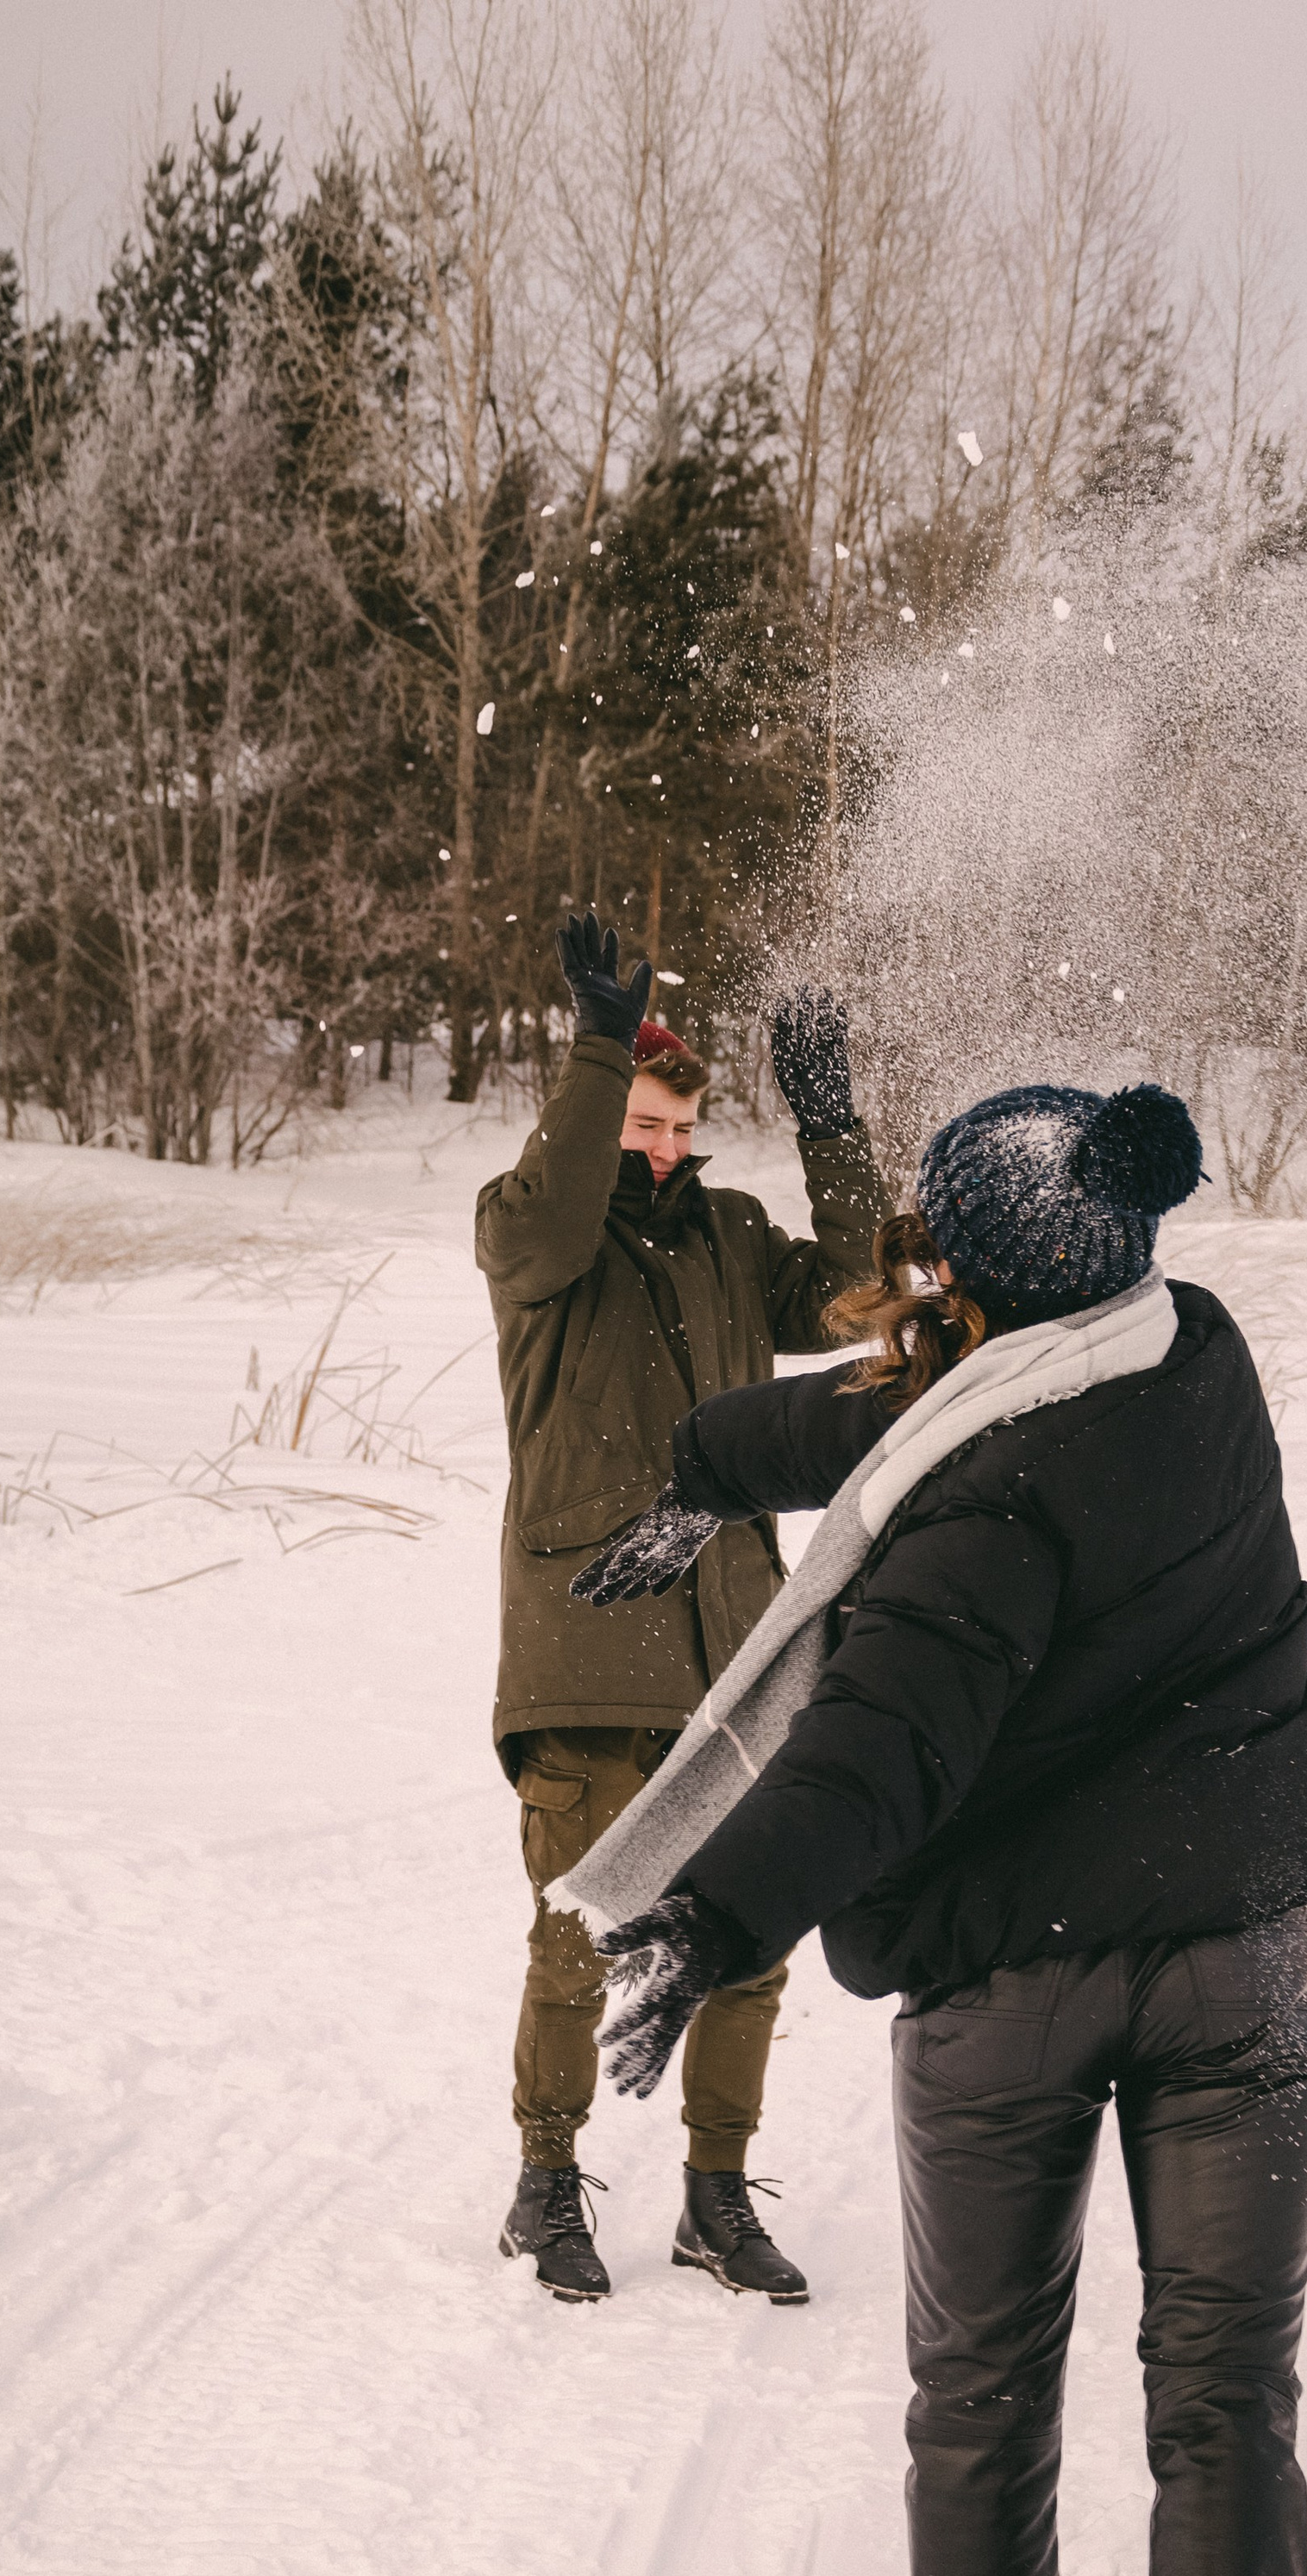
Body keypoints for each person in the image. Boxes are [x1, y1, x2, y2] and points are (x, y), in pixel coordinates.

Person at [555, 1061, 1307, 2576]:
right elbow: (879, 1406)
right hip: (1244, 1960)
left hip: (1013, 1994)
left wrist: (705, 1913)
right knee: (1221, 2404)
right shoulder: (1192, 1353)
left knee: (980, 2405)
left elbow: (878, 1745)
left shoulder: (975, 1494)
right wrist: (705, 1456)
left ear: (968, 1269)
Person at [473, 915, 885, 2308]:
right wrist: (599, 1046)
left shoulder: (732, 1235)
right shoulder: (534, 1237)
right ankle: (545, 2181)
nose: (660, 1147)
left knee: (749, 1939)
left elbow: (864, 1295)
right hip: (589, 1646)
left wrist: (831, 1122)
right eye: (639, 1121)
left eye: (679, 1125)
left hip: (737, 1652)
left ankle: (716, 2196)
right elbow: (557, 1206)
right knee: (579, 1934)